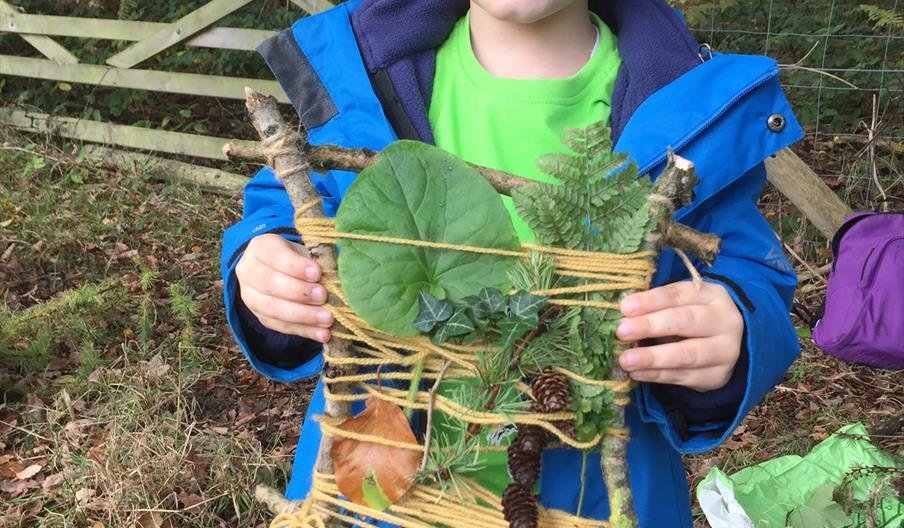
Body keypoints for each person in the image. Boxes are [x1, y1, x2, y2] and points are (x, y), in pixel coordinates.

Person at [220, 0, 803, 525]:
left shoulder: (688, 107)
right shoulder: (367, 81)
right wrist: (265, 263)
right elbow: (285, 205)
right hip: (373, 486)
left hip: (589, 497)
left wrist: (736, 330)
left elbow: (749, 272)